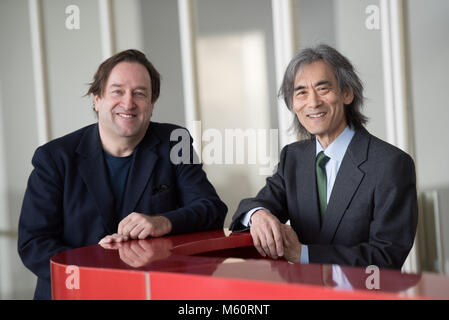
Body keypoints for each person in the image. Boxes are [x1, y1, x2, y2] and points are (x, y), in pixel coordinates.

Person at [18, 49, 227, 299]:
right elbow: (34, 243)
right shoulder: (54, 157)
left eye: (140, 93)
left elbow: (212, 209)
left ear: (151, 104)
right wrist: (97, 272)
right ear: (97, 99)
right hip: (76, 293)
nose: (128, 103)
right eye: (117, 91)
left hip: (152, 292)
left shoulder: (175, 141)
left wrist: (162, 222)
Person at [230, 44, 418, 270]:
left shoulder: (390, 164)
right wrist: (258, 215)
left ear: (347, 93)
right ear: (292, 105)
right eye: (301, 93)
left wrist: (304, 254)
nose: (313, 102)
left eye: (323, 89)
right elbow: (254, 205)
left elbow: (386, 257)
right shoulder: (294, 158)